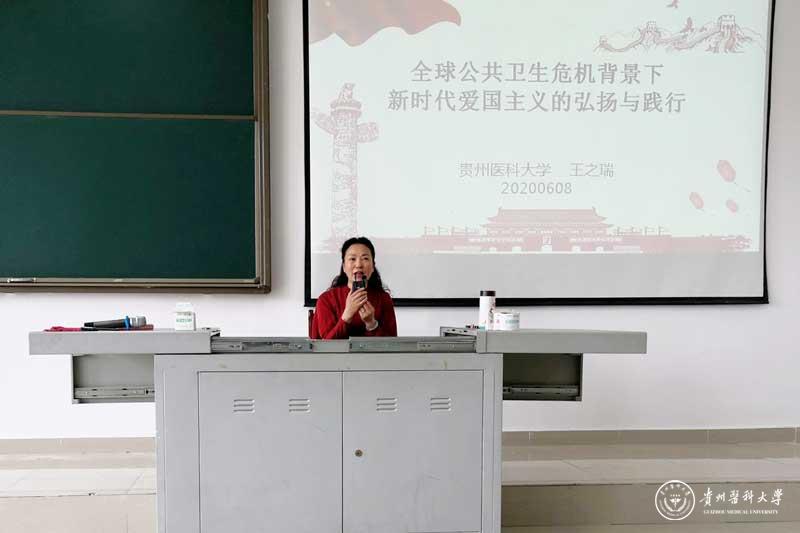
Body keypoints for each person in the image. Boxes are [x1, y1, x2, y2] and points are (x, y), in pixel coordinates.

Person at [311, 237, 397, 339]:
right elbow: (325, 345)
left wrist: (371, 324)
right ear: (344, 266)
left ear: (373, 266)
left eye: (365, 258)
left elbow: (392, 344)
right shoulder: (326, 299)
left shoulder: (384, 299)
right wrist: (347, 314)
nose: (359, 265)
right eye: (352, 259)